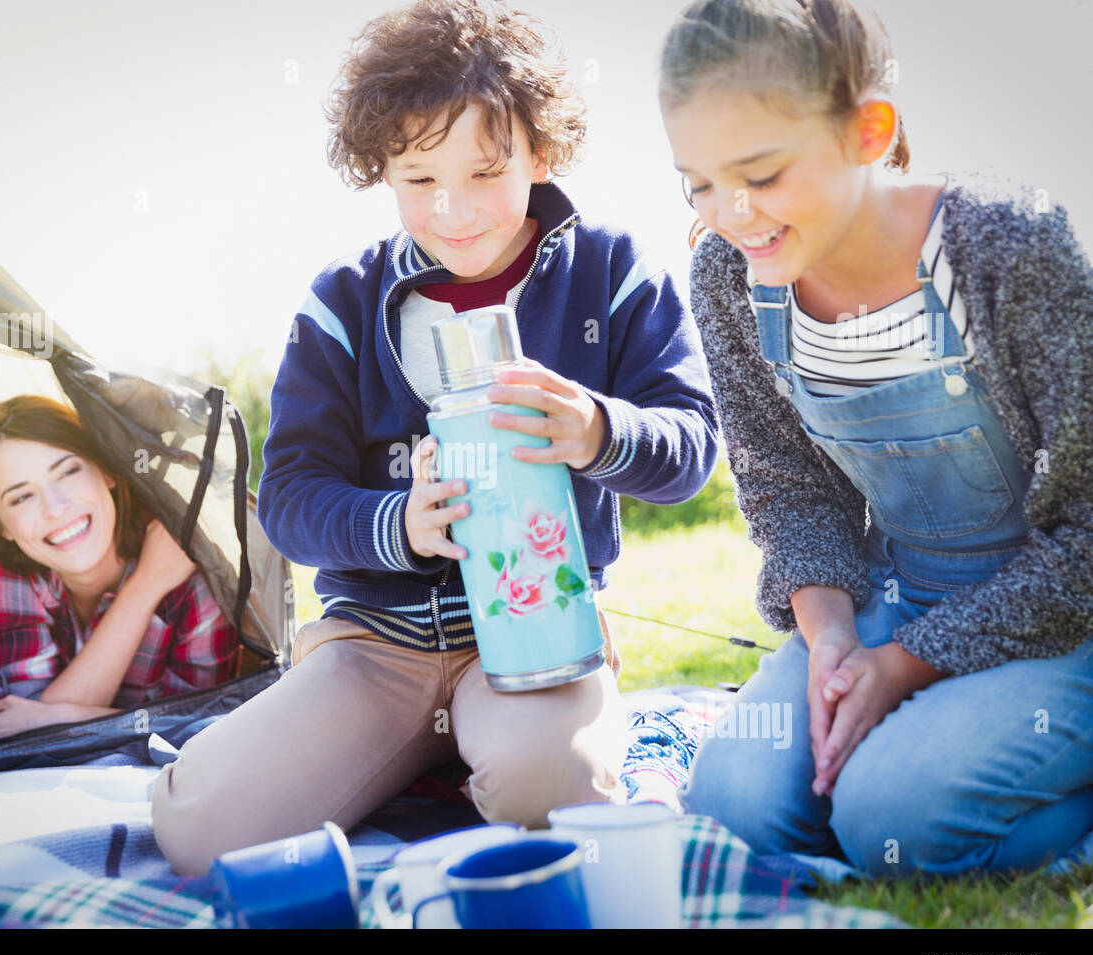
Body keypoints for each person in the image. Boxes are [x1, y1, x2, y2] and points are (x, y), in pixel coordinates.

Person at [151, 0, 720, 875]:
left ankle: (499, 754)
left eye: (487, 172)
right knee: (199, 834)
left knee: (557, 790)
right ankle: (421, 756)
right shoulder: (340, 301)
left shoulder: (613, 272)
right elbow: (293, 497)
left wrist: (597, 428)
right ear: (381, 170)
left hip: (541, 639)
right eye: (418, 179)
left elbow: (691, 443)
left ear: (541, 151)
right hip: (374, 644)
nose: (455, 210)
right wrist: (400, 524)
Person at [660, 0, 1093, 875]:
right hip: (899, 590)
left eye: (762, 173)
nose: (732, 213)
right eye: (698, 182)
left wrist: (902, 669)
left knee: (894, 820)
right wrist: (832, 643)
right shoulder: (728, 276)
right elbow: (789, 489)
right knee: (735, 808)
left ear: (867, 131)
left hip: (1065, 617)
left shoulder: (1007, 248)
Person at [0, 394, 243, 743]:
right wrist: (145, 586)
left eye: (69, 471)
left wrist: (57, 717)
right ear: (1, 527)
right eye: (21, 497)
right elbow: (18, 725)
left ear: (108, 470)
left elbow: (201, 731)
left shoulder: (187, 563)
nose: (56, 508)